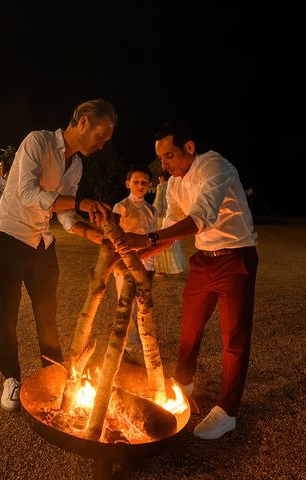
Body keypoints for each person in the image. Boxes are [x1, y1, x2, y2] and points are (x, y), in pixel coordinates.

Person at [116, 122, 258, 440]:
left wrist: (147, 236)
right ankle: (183, 383)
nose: (163, 165)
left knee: (233, 340)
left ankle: (228, 411)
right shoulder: (177, 184)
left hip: (236, 257)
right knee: (190, 327)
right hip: (203, 260)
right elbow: (171, 231)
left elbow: (199, 218)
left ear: (189, 148)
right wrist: (134, 250)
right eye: (160, 158)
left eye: (169, 156)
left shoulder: (214, 166)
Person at [0, 99, 117, 411]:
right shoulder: (38, 141)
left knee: (47, 314)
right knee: (7, 311)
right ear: (84, 122)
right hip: (10, 232)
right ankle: (10, 378)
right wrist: (81, 202)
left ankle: (54, 373)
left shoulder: (76, 165)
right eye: (101, 136)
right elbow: (28, 194)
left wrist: (91, 233)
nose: (102, 144)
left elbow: (64, 213)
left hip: (41, 240)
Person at [112, 164, 157, 366]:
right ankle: (129, 347)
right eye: (136, 182)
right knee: (125, 307)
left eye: (143, 183)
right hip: (125, 265)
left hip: (146, 265)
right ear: (127, 183)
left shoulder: (152, 210)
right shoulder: (121, 207)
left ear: (149, 185)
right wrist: (116, 263)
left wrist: (152, 264)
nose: (140, 186)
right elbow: (114, 236)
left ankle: (145, 345)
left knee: (143, 307)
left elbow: (153, 239)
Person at [152, 171, 185, 275]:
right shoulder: (174, 184)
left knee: (161, 241)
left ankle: (162, 269)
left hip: (162, 217)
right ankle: (175, 267)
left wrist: (153, 213)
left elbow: (158, 203)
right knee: (173, 241)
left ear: (161, 178)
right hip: (173, 216)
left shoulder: (161, 186)